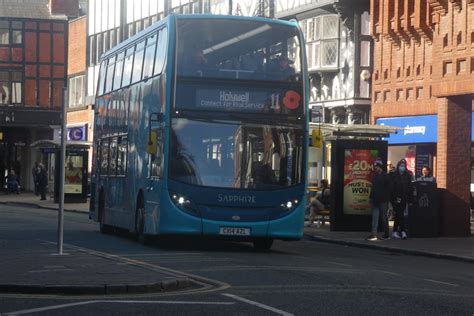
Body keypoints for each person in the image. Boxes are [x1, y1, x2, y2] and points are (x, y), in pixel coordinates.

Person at [367, 159, 392, 241]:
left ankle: (386, 234)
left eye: (376, 167)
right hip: (376, 200)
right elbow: (373, 188)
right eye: (375, 167)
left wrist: (387, 199)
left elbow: (388, 189)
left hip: (383, 200)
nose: (375, 168)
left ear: (380, 167)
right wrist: (371, 197)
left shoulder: (386, 176)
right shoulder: (375, 176)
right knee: (375, 217)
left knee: (383, 217)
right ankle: (374, 234)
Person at [390, 159, 414, 239]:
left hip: (404, 198)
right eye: (401, 166)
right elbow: (391, 188)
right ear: (398, 166)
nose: (402, 167)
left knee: (398, 215)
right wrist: (392, 198)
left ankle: (395, 231)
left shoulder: (407, 176)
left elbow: (410, 188)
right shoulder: (393, 176)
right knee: (400, 214)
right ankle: (403, 231)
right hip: (396, 198)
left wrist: (410, 199)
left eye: (404, 166)